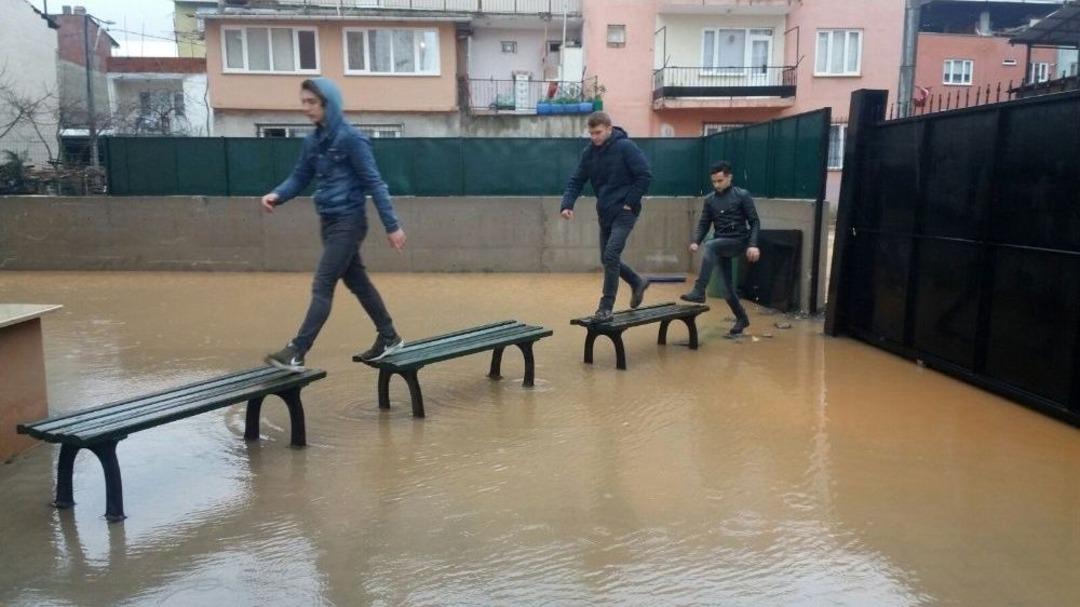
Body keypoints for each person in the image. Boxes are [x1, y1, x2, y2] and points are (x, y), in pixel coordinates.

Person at [261, 77, 406, 372]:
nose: (306, 108)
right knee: (358, 282)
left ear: (329, 103)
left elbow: (374, 183)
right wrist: (278, 194)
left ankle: (297, 351)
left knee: (323, 283)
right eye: (303, 102)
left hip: (349, 221)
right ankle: (389, 336)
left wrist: (392, 225)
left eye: (312, 102)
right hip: (328, 222)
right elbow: (300, 177)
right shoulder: (312, 141)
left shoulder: (351, 139)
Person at [560, 112, 653, 322]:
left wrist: (630, 202)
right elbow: (577, 180)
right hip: (605, 211)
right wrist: (567, 204)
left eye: (598, 132)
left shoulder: (625, 147)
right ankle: (637, 281)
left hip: (625, 212)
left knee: (611, 255)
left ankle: (605, 307)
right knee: (606, 258)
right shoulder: (589, 153)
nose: (594, 137)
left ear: (609, 129)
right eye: (591, 133)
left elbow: (644, 175)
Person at [681, 161, 761, 336]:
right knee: (726, 290)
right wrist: (695, 240)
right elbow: (704, 223)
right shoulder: (710, 200)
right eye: (714, 182)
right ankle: (742, 318)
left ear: (729, 177)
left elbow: (754, 221)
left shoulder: (742, 195)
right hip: (721, 244)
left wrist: (753, 244)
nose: (717, 185)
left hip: (739, 241)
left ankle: (699, 291)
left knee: (711, 245)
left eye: (720, 181)